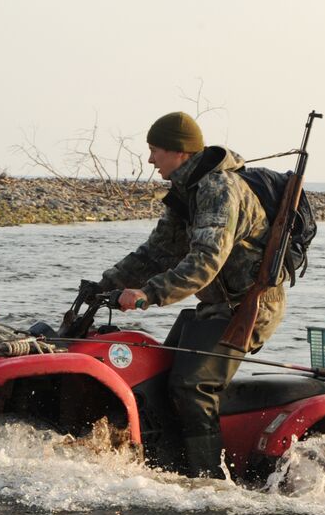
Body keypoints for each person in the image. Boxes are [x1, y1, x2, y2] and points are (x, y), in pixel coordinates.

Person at [98, 111, 286, 478]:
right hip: (217, 307)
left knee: (191, 386)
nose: (150, 159)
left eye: (155, 150)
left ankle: (208, 482)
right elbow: (156, 253)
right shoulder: (187, 191)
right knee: (154, 374)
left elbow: (204, 262)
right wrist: (106, 284)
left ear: (179, 152)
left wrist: (146, 295)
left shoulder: (218, 190)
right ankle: (168, 469)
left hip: (248, 308)